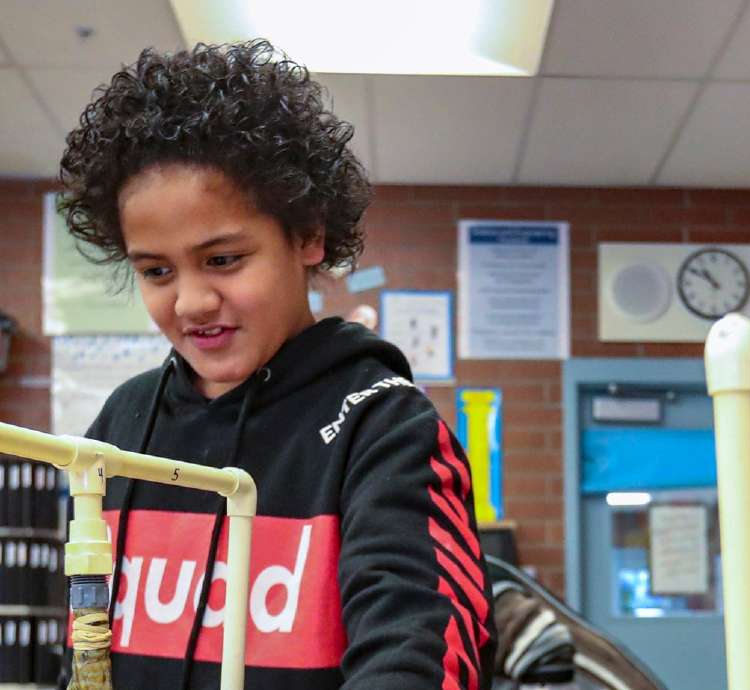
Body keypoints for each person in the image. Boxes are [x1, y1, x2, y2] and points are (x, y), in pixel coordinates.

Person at [57, 40, 494, 689]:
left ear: (308, 234)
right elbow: (85, 641)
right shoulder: (121, 420)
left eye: (224, 259)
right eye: (156, 270)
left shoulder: (385, 426)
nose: (192, 301)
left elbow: (421, 647)